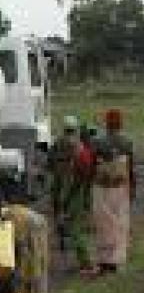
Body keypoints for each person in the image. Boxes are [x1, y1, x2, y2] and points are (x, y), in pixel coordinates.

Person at [93, 109, 134, 273]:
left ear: (107, 122)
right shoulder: (127, 141)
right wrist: (132, 187)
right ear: (120, 122)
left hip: (101, 187)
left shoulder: (98, 141)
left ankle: (104, 261)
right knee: (120, 222)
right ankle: (117, 260)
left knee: (103, 223)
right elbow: (130, 167)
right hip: (120, 187)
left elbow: (92, 164)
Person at [50, 116, 93, 273]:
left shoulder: (57, 144)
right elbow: (85, 173)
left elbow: (50, 163)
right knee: (75, 223)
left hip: (60, 185)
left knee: (61, 216)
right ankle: (84, 261)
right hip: (72, 188)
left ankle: (62, 239)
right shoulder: (78, 147)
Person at [2, 183, 49, 293]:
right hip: (38, 249)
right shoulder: (37, 215)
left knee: (22, 280)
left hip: (23, 248)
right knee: (38, 278)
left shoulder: (7, 213)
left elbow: (13, 239)